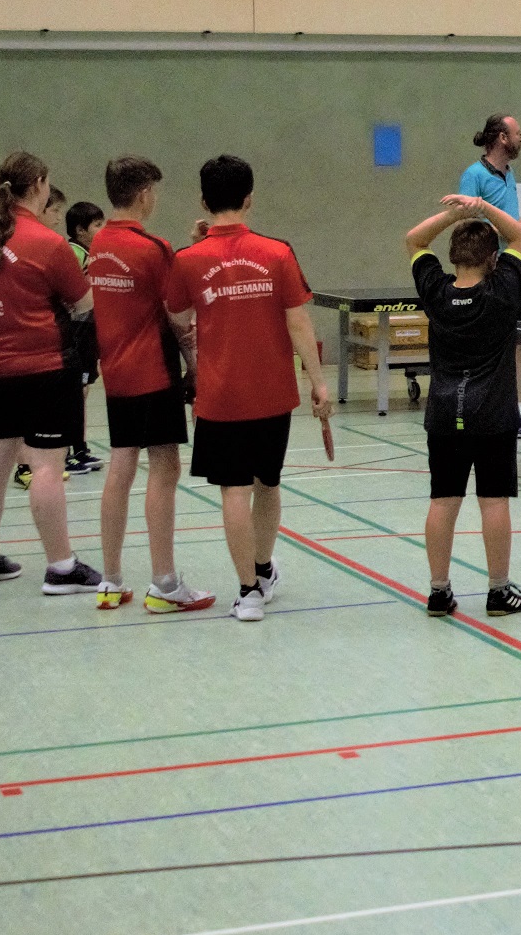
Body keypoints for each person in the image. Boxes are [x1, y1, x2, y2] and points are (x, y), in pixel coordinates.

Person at [165, 153, 333, 622]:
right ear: (250, 199)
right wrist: (318, 382)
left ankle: (248, 593)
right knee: (268, 483)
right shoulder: (277, 253)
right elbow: (299, 322)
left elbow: (177, 314)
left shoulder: (187, 260)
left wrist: (197, 256)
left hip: (219, 395)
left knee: (233, 491)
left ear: (204, 201)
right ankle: (262, 570)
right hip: (272, 393)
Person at [0, 152, 99, 592]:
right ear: (38, 185)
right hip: (44, 368)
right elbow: (84, 303)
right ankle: (61, 567)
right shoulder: (47, 242)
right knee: (46, 466)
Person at [82, 157, 209, 613]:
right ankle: (165, 582)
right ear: (143, 195)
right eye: (153, 191)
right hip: (153, 370)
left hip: (116, 372)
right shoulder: (153, 247)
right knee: (165, 468)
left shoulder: (98, 243)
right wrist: (195, 366)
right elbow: (177, 314)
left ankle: (111, 581)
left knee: (121, 467)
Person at [408, 190, 521, 619]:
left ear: (452, 256)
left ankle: (438, 591)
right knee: (494, 501)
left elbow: (414, 239)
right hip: (493, 414)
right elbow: (519, 235)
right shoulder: (502, 291)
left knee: (443, 500)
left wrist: (454, 216)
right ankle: (498, 592)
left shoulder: (435, 290)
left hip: (444, 414)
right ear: (492, 259)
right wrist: (481, 207)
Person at [459, 117, 521, 427]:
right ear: (502, 137)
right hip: (485, 276)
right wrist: (509, 230)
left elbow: (508, 221)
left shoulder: (509, 174)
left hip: (512, 270)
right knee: (488, 345)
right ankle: (482, 409)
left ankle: (516, 413)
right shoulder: (473, 175)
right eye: (517, 133)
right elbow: (467, 228)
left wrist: (520, 229)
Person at [61, 198, 107, 476]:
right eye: (97, 225)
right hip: (76, 331)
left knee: (83, 391)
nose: (102, 230)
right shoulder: (74, 253)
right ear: (80, 230)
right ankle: (65, 453)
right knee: (74, 393)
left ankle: (79, 448)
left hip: (90, 331)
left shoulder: (93, 254)